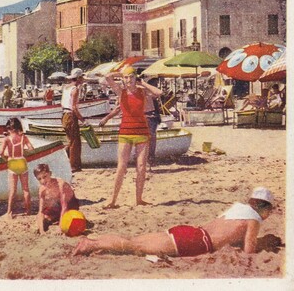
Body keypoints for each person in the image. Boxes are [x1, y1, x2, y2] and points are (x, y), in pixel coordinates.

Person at [72, 187, 276, 258]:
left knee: (133, 241)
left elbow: (226, 230)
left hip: (191, 231)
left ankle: (94, 239)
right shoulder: (253, 219)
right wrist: (262, 243)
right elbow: (249, 250)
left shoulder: (237, 207)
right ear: (264, 207)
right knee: (133, 246)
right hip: (196, 242)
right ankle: (92, 244)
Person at [102, 66, 162, 208]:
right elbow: (107, 77)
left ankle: (139, 199)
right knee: (121, 167)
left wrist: (142, 83)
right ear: (123, 79)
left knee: (141, 167)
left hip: (142, 132)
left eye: (131, 77)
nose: (129, 80)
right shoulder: (120, 92)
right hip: (125, 132)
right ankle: (113, 200)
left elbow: (159, 92)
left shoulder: (142, 91)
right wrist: (121, 73)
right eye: (126, 78)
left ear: (136, 78)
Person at [0, 118, 34, 219]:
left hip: (12, 163)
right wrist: (23, 151)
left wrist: (6, 158)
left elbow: (0, 153)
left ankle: (9, 212)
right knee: (26, 189)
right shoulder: (23, 137)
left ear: (9, 128)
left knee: (12, 190)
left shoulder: (7, 139)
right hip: (22, 162)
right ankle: (28, 211)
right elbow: (31, 149)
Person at [34, 163, 80, 235]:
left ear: (50, 173)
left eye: (45, 176)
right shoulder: (42, 189)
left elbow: (65, 207)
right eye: (39, 179)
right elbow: (41, 211)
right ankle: (56, 218)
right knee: (45, 217)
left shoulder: (60, 184)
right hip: (57, 206)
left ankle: (58, 219)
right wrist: (41, 230)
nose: (43, 181)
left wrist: (60, 228)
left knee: (70, 220)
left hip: (71, 205)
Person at [61, 68, 86, 173]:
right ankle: (74, 166)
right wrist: (82, 119)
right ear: (79, 78)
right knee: (75, 142)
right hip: (71, 115)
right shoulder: (75, 89)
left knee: (71, 141)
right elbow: (74, 107)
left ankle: (65, 161)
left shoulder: (66, 88)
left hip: (64, 115)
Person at [143, 78, 162, 170]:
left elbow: (158, 93)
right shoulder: (143, 89)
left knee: (151, 139)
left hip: (151, 116)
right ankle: (147, 161)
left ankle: (149, 161)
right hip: (145, 116)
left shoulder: (147, 89)